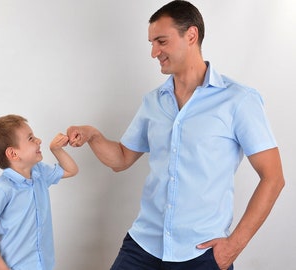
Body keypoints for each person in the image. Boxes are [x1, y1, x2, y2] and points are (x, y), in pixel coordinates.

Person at [67, 1, 285, 269]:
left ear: (191, 35)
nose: (153, 52)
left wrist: (232, 247)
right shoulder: (153, 102)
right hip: (143, 245)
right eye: (151, 43)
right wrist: (93, 136)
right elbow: (121, 159)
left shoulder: (239, 100)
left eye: (161, 41)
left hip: (202, 252)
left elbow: (273, 178)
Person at [0, 114, 78, 270]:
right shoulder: (2, 190)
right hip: (15, 266)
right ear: (13, 154)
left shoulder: (40, 173)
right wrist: (1, 268)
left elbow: (71, 170)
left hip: (43, 265)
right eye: (30, 138)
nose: (39, 140)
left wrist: (56, 149)